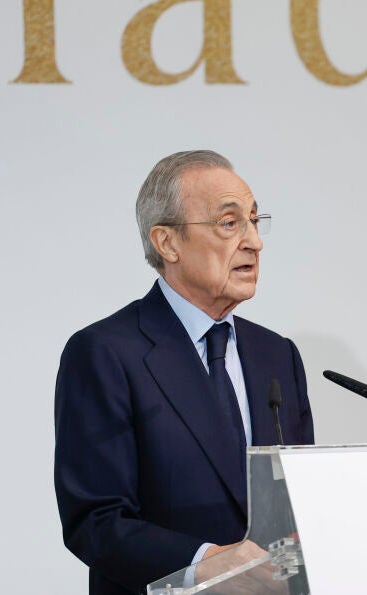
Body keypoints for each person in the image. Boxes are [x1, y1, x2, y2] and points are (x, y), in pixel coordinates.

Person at [54, 150, 314, 595]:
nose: (254, 242)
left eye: (254, 221)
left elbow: (298, 504)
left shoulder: (277, 355)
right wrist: (206, 563)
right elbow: (96, 521)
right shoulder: (106, 353)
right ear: (167, 242)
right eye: (230, 223)